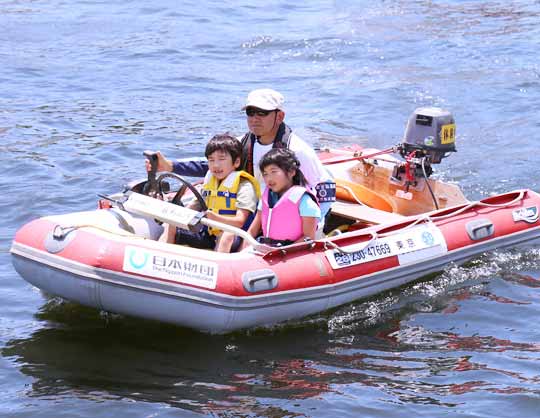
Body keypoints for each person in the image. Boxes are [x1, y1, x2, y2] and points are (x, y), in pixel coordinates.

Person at [147, 88, 335, 231]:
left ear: (280, 116)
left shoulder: (297, 150)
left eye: (262, 113)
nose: (255, 118)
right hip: (249, 210)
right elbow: (215, 164)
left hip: (280, 216)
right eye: (250, 112)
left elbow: (325, 188)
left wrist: (315, 222)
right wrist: (169, 166)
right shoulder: (244, 143)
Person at [160, 133, 259, 253]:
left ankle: (219, 266)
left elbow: (240, 221)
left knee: (227, 234)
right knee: (172, 223)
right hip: (209, 233)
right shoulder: (209, 181)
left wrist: (216, 218)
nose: (216, 165)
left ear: (236, 162)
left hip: (233, 236)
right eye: (211, 160)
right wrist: (179, 214)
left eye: (221, 159)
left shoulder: (244, 186)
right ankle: (159, 256)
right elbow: (195, 205)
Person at [245, 148, 321, 247]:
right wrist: (242, 253)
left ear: (291, 172)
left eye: (274, 171)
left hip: (290, 254)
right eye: (265, 174)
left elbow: (308, 238)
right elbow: (252, 231)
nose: (269, 178)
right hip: (266, 249)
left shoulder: (305, 201)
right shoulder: (266, 198)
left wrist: (280, 253)